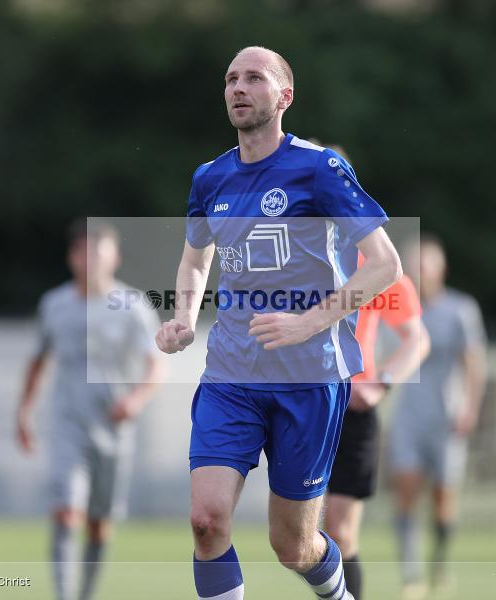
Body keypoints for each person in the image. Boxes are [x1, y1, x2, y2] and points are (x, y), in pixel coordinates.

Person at [155, 46, 402, 600]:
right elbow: (195, 260)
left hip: (309, 380)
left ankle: (339, 594)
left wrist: (308, 322)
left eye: (254, 78)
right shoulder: (209, 177)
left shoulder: (319, 168)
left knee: (292, 546)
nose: (238, 88)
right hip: (231, 377)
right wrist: (183, 319)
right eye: (230, 79)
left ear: (284, 96)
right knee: (206, 522)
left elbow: (386, 265)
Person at [16, 219, 164, 600]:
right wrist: (24, 413)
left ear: (115, 258)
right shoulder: (54, 305)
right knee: (66, 512)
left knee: (99, 524)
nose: (91, 259)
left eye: (99, 251)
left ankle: (85, 594)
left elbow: (156, 364)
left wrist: (136, 399)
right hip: (68, 425)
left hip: (113, 431)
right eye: (83, 251)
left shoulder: (132, 305)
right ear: (72, 257)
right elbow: (37, 361)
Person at [320, 145, 430, 600]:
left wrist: (380, 383)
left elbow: (416, 338)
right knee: (296, 537)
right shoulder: (286, 259)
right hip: (302, 405)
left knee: (340, 531)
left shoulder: (376, 265)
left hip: (353, 408)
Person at [390, 234, 487, 599]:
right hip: (409, 418)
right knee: (406, 493)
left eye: (424, 263)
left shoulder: (460, 310)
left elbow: (473, 362)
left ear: (441, 268)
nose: (418, 271)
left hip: (446, 418)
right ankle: (411, 576)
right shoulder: (395, 308)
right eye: (412, 264)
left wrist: (470, 407)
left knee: (443, 498)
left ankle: (440, 564)